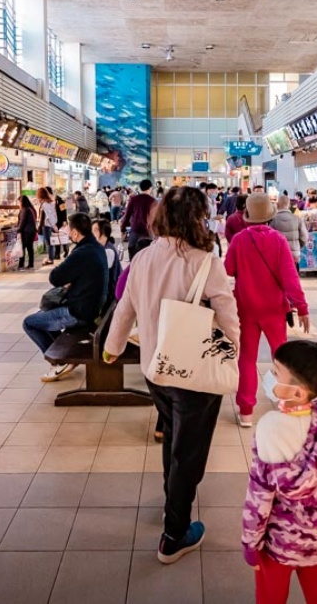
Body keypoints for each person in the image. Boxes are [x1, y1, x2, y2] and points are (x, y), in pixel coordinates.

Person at [103, 186, 240, 564]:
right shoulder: (206, 262)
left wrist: (112, 349)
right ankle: (174, 533)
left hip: (156, 369)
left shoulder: (144, 257)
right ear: (199, 217)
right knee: (189, 452)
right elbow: (228, 316)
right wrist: (233, 356)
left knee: (173, 438)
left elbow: (124, 308)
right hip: (195, 370)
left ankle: (171, 501)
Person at [242, 341, 317, 604]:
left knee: (270, 597)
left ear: (298, 393)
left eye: (276, 373)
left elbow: (259, 498)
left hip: (278, 542)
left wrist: (251, 544)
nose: (270, 377)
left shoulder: (270, 428)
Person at [225, 193, 311, 427]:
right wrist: (301, 307)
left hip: (246, 308)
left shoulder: (239, 240)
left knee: (247, 358)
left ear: (248, 217)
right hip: (274, 309)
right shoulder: (279, 241)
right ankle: (288, 404)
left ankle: (245, 411)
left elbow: (229, 270)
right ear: (269, 217)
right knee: (281, 358)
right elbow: (290, 278)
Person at [24, 212, 109, 382]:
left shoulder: (81, 253)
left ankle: (59, 361)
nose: (69, 234)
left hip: (79, 312)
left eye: (70, 231)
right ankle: (65, 356)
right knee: (45, 317)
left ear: (76, 233)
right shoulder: (97, 248)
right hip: (93, 308)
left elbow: (55, 277)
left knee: (29, 323)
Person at [120, 178, 157, 259]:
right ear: (150, 188)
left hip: (135, 230)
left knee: (132, 255)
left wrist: (123, 228)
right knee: (146, 256)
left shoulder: (133, 199)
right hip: (147, 233)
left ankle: (133, 270)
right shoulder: (153, 201)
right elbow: (155, 219)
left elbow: (127, 215)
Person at [271, 195, 308, 264]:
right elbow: (304, 237)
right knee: (294, 274)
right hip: (294, 256)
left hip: (279, 256)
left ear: (277, 205)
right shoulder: (297, 219)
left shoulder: (273, 220)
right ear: (289, 205)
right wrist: (297, 246)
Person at [92, 218, 122, 303]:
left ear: (104, 232)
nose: (92, 233)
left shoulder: (108, 251)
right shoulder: (101, 248)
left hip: (108, 296)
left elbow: (98, 275)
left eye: (95, 230)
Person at [37, 188, 61, 266]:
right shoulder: (50, 203)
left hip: (47, 225)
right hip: (49, 225)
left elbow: (49, 216)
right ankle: (50, 258)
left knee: (49, 243)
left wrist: (54, 226)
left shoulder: (45, 204)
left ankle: (50, 259)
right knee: (50, 243)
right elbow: (53, 215)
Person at [17, 194, 39, 269]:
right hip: (32, 231)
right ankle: (31, 264)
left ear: (22, 202)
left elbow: (22, 221)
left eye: (19, 202)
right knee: (30, 248)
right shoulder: (31, 208)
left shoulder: (25, 209)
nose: (18, 204)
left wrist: (18, 230)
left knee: (22, 248)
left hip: (26, 232)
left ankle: (21, 265)